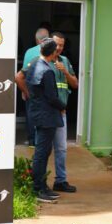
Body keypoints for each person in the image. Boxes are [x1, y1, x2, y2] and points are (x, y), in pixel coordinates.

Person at [15, 32, 78, 193]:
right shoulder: (40, 63)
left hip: (59, 113)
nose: (59, 48)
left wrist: (65, 72)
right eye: (57, 45)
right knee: (42, 151)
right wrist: (30, 95)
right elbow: (19, 77)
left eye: (62, 45)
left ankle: (60, 181)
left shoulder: (64, 61)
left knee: (60, 149)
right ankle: (40, 185)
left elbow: (75, 84)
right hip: (47, 114)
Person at [26, 38, 66, 202]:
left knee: (42, 152)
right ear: (53, 52)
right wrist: (63, 106)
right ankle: (39, 189)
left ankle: (42, 186)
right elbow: (51, 97)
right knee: (42, 153)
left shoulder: (34, 65)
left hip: (37, 114)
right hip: (47, 117)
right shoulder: (47, 71)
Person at [17, 27, 50, 145]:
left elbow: (23, 75)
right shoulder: (52, 51)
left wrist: (24, 91)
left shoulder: (30, 52)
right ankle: (45, 141)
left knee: (31, 114)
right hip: (47, 89)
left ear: (36, 40)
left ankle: (32, 141)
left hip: (32, 89)